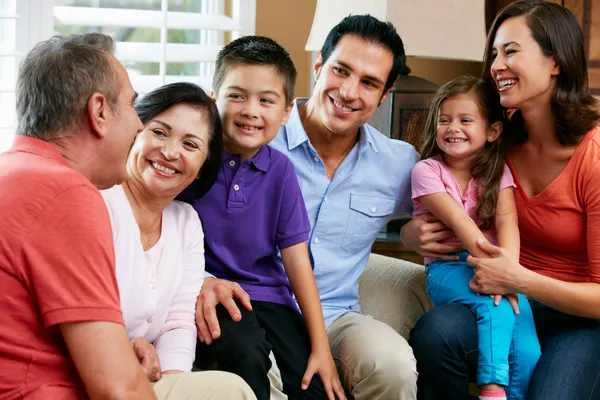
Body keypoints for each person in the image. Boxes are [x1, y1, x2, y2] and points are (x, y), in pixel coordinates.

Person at [195, 15, 420, 400]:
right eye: (341, 70)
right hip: (251, 307)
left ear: (385, 94)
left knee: (393, 367)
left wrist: (414, 230)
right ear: (319, 65)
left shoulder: (399, 163)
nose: (349, 92)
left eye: (369, 83)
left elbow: (447, 208)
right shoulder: (257, 132)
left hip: (335, 317)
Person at [404, 1, 600, 399]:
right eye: (494, 53)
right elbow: (445, 196)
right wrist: (412, 234)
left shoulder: (593, 157)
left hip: (578, 317)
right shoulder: (496, 135)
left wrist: (520, 279)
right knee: (436, 334)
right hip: (503, 295)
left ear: (556, 62)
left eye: (511, 51)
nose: (496, 65)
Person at [0, 33, 157, 399]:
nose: (139, 125)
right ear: (99, 111)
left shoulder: (13, 173)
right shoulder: (65, 194)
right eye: (132, 105)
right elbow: (117, 389)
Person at [191, 36, 344, 400]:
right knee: (245, 353)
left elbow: (297, 264)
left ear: (287, 111)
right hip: (213, 294)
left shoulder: (281, 172)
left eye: (266, 100)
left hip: (270, 297)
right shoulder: (192, 162)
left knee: (315, 384)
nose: (251, 110)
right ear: (214, 100)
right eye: (237, 95)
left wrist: (321, 346)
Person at [101, 82, 255, 399]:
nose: (171, 152)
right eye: (159, 132)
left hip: (148, 380)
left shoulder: (186, 221)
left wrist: (173, 383)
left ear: (203, 167)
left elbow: (177, 323)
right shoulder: (100, 204)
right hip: (96, 374)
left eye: (190, 144)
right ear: (135, 133)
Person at [411, 75, 540, 400]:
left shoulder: (498, 172)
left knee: (527, 345)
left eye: (465, 120)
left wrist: (508, 271)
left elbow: (509, 224)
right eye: (444, 120)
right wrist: (497, 273)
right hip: (448, 269)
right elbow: (459, 222)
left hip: (496, 268)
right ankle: (492, 388)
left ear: (492, 131)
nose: (453, 128)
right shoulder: (427, 171)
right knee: (494, 307)